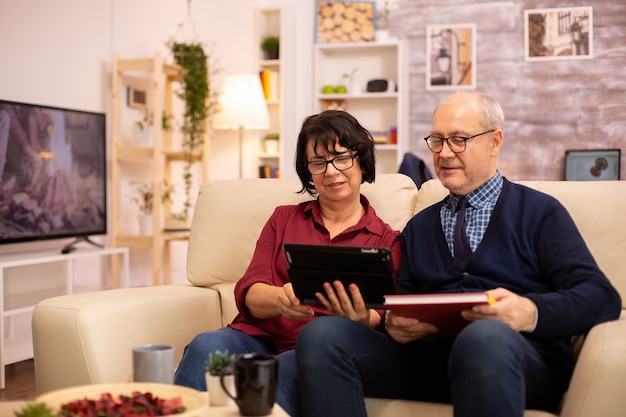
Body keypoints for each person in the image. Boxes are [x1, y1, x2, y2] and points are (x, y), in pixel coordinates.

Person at [296, 92, 622, 417]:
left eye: (459, 140)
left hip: (515, 359)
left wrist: (530, 311)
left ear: (495, 142)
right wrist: (394, 324)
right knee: (323, 335)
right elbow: (400, 304)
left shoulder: (540, 213)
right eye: (437, 141)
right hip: (429, 362)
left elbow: (600, 297)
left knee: (483, 338)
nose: (445, 153)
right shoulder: (419, 227)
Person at [173, 109, 401, 417]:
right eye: (318, 163)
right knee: (205, 346)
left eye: (341, 158)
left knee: (282, 370)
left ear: (361, 160)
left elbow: (390, 318)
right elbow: (249, 292)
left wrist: (365, 318)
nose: (331, 172)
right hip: (259, 337)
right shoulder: (283, 218)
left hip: (318, 351)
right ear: (308, 171)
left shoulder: (387, 240)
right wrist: (281, 298)